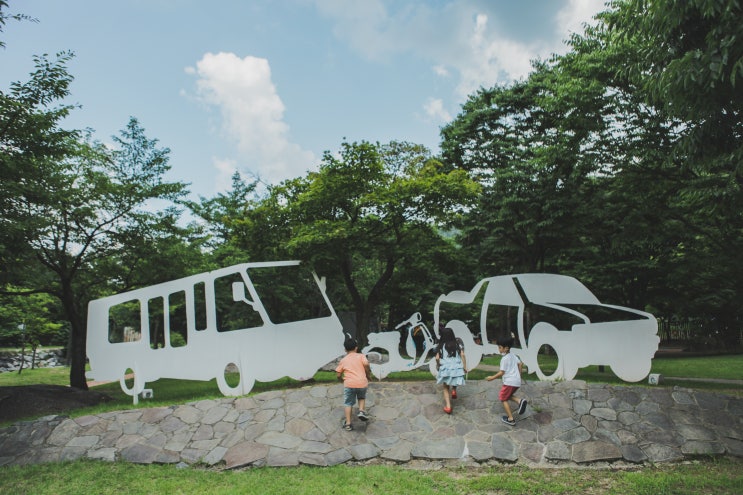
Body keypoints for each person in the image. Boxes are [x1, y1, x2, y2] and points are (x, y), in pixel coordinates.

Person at [486, 336, 527, 426]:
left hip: (509, 382)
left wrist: (492, 378)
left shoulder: (504, 359)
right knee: (508, 396)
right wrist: (519, 376)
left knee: (503, 398)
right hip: (516, 382)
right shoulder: (513, 356)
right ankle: (519, 401)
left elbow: (501, 372)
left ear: (506, 348)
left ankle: (511, 419)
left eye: (500, 347)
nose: (499, 349)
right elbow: (520, 364)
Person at [335, 335, 371, 431]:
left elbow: (338, 375)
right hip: (362, 383)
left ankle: (348, 424)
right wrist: (367, 373)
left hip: (349, 384)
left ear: (345, 349)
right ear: (356, 347)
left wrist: (341, 380)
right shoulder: (361, 356)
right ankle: (361, 411)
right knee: (361, 397)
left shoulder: (343, 360)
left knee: (348, 403)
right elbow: (366, 364)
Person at [435, 327, 467, 414]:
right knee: (454, 379)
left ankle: (448, 407)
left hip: (445, 367)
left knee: (445, 387)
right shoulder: (457, 344)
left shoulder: (440, 345)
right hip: (456, 367)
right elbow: (463, 355)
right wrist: (464, 367)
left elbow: (437, 358)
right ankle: (454, 390)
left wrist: (438, 365)